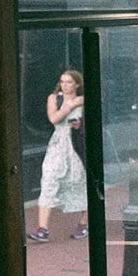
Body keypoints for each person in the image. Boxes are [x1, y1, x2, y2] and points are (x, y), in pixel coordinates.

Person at [28, 70, 88, 243]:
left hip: (77, 146)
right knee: (49, 181)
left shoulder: (84, 100)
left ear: (77, 84)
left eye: (69, 82)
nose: (65, 85)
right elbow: (54, 118)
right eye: (62, 81)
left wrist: (80, 124)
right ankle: (42, 229)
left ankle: (84, 224)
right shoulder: (54, 98)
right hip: (58, 146)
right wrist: (69, 106)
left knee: (81, 182)